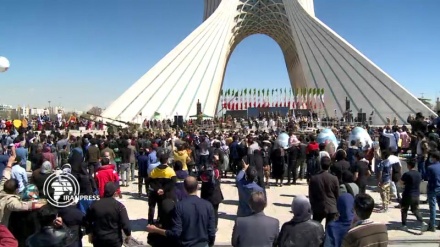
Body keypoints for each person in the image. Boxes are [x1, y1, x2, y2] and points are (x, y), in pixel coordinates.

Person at [146, 176, 216, 247]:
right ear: (198, 186)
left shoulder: (179, 206)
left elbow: (175, 233)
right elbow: (211, 232)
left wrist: (156, 230)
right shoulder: (208, 206)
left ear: (184, 189)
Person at [85, 182, 131, 247]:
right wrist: (128, 234)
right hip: (114, 240)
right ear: (115, 193)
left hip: (98, 239)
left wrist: (89, 233)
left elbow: (87, 220)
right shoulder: (119, 206)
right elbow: (125, 224)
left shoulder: (94, 205)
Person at [308, 156, 339, 226]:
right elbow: (337, 194)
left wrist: (313, 206)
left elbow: (311, 195)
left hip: (318, 207)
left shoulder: (314, 178)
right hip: (331, 207)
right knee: (329, 231)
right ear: (329, 165)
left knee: (315, 229)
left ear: (320, 165)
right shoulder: (334, 178)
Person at [399, 159, 427, 232]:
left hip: (407, 194)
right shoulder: (419, 174)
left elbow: (401, 183)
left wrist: (404, 185)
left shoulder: (407, 174)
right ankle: (422, 222)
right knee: (415, 210)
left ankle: (404, 225)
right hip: (416, 195)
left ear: (408, 165)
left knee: (404, 210)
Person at [148, 154, 177, 224]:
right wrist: (163, 189)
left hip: (155, 192)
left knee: (152, 206)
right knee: (161, 207)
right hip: (165, 193)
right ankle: (160, 220)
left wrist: (157, 189)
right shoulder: (170, 171)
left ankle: (150, 221)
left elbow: (151, 181)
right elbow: (172, 182)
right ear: (166, 160)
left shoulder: (154, 170)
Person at [200, 163, 223, 230]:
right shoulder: (216, 174)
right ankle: (214, 226)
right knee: (215, 212)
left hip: (206, 197)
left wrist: (202, 170)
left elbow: (200, 175)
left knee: (207, 213)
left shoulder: (204, 176)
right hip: (216, 197)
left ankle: (208, 226)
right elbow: (219, 170)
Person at [426, 151, 440, 232]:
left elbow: (427, 177)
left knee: (433, 208)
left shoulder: (430, 167)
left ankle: (432, 225)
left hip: (432, 188)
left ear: (434, 158)